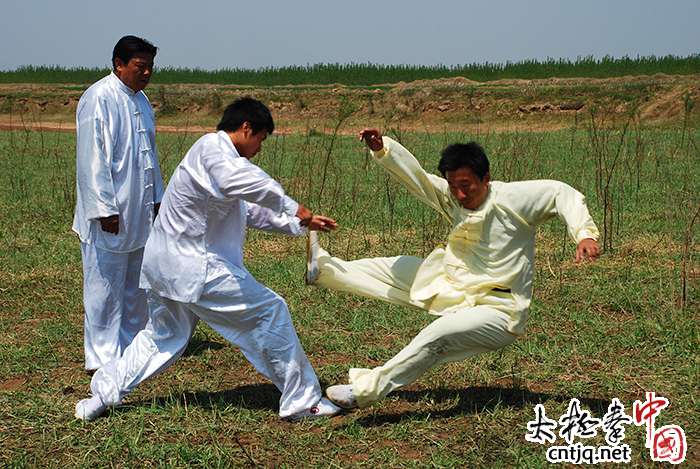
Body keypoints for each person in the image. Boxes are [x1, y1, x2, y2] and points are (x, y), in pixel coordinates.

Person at [75, 98, 342, 421]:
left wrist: (297, 222)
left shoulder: (215, 161)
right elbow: (244, 180)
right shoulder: (212, 151)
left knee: (161, 338)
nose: (259, 147)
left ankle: (100, 396)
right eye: (261, 138)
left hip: (165, 268)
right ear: (246, 128)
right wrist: (293, 207)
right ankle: (303, 402)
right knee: (271, 311)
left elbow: (248, 212)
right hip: (195, 267)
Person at [307, 129, 601, 409]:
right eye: (453, 186)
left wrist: (584, 233)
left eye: (466, 186)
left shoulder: (514, 199)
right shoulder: (452, 195)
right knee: (395, 268)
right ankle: (324, 269)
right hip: (457, 287)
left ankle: (364, 391)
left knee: (437, 335)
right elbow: (418, 179)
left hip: (499, 311)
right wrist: (383, 149)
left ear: (485, 178)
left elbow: (561, 193)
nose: (459, 195)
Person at [72, 35, 165, 371]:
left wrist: (158, 200)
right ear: (119, 64)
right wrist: (104, 209)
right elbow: (91, 159)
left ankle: (130, 350)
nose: (147, 73)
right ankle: (100, 358)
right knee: (103, 288)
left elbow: (150, 157)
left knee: (136, 287)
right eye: (140, 66)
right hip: (109, 216)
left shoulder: (141, 101)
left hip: (139, 213)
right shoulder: (99, 98)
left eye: (150, 67)